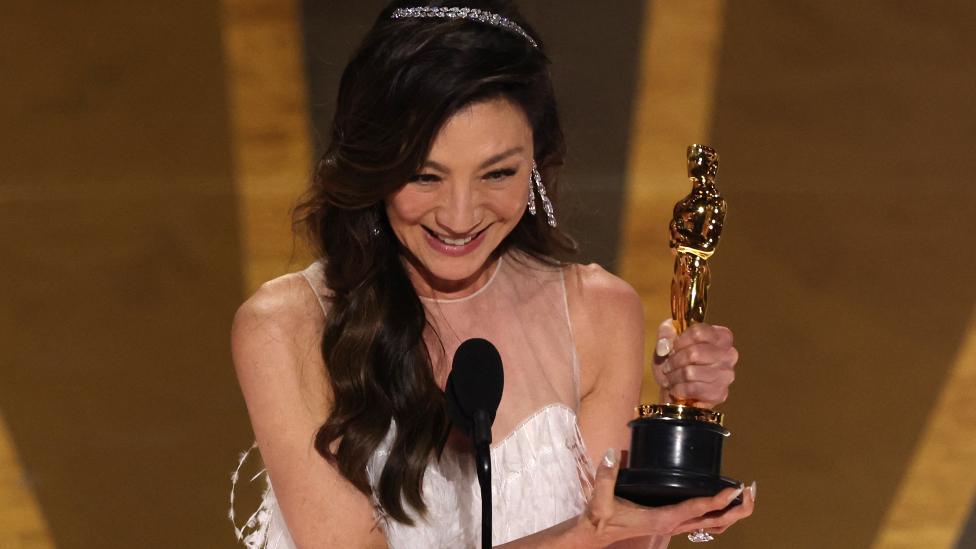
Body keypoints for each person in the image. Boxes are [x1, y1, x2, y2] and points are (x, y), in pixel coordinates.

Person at [228, 1, 755, 547]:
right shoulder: (288, 327)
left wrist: (677, 432)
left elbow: (621, 540)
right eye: (423, 176)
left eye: (497, 173)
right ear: (372, 167)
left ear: (537, 161)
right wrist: (579, 535)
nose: (459, 216)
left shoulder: (598, 313)